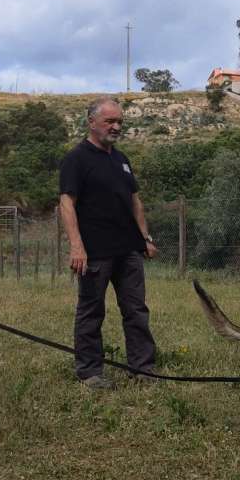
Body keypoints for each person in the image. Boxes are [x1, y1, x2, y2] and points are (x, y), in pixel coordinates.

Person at [59, 98, 159, 389]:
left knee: (136, 310)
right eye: (110, 122)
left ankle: (143, 368)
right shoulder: (76, 159)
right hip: (95, 253)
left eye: (120, 122)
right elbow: (66, 203)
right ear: (91, 122)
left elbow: (135, 201)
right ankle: (90, 373)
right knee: (91, 311)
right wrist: (77, 246)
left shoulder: (122, 159)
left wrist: (145, 237)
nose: (116, 127)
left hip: (128, 250)